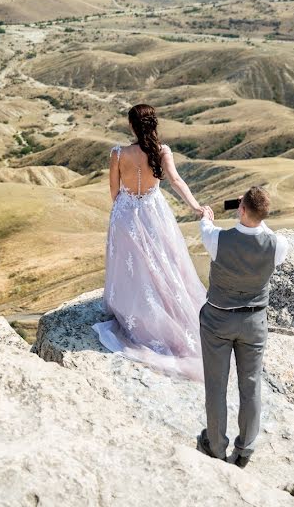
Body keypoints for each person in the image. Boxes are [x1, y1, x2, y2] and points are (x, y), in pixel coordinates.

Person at [92, 104, 208, 381]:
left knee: (133, 266)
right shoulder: (162, 151)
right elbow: (177, 181)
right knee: (162, 263)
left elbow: (113, 190)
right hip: (155, 212)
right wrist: (196, 206)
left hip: (126, 213)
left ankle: (135, 313)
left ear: (132, 126)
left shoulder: (118, 153)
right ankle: (165, 311)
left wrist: (126, 210)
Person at [195, 186, 291, 468]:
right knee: (250, 386)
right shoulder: (278, 245)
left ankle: (215, 445)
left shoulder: (217, 239)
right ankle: (245, 449)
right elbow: (267, 233)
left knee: (216, 385)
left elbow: (206, 225)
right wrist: (256, 216)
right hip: (254, 323)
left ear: (241, 209)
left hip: (219, 320)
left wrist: (208, 216)